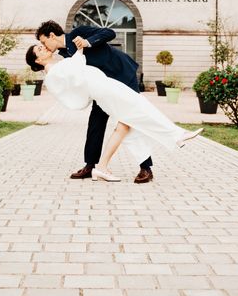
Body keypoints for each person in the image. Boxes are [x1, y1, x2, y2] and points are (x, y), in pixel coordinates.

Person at [26, 44, 203, 181]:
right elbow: (76, 75)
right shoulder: (53, 73)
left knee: (126, 125)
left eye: (41, 45)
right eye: (39, 49)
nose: (43, 48)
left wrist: (79, 54)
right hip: (103, 88)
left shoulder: (56, 70)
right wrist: (79, 52)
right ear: (38, 61)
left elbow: (75, 72)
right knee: (139, 105)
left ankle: (102, 167)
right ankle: (176, 135)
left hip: (103, 87)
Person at [35, 20, 154, 183]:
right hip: (103, 87)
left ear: (52, 35)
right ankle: (90, 166)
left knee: (130, 120)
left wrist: (87, 42)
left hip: (123, 74)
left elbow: (110, 33)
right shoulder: (64, 54)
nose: (45, 46)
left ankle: (145, 168)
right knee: (95, 122)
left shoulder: (80, 32)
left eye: (43, 42)